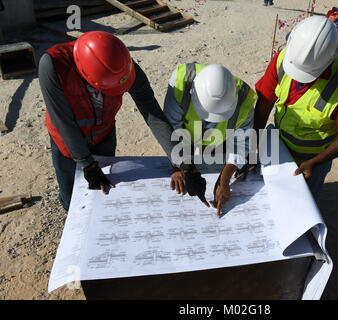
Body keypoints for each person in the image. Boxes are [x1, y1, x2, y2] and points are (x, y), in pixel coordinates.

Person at [39, 31, 178, 210]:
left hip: (103, 135)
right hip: (66, 144)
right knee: (71, 196)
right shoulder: (54, 65)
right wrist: (87, 164)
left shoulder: (124, 68)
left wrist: (180, 161)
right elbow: (63, 121)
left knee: (104, 192)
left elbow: (152, 112)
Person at [253, 16, 338, 201]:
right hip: (278, 146)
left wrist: (316, 161)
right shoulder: (283, 59)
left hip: (312, 160)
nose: (298, 78)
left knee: (302, 204)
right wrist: (253, 141)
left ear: (330, 59)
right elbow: (265, 101)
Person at [163, 63, 257, 214]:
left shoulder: (244, 101)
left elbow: (241, 145)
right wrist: (179, 167)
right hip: (185, 140)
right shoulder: (180, 83)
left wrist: (224, 179)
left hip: (220, 142)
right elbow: (169, 130)